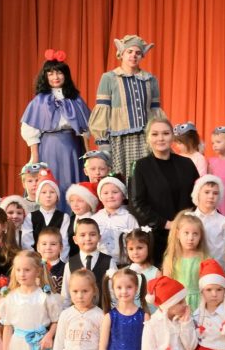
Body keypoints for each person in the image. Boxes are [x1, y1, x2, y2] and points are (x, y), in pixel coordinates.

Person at [88, 35, 161, 185]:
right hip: (119, 139)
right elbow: (103, 110)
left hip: (145, 139)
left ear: (142, 56)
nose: (133, 55)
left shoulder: (150, 79)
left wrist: (158, 135)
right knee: (121, 182)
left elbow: (155, 112)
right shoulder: (109, 78)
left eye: (138, 53)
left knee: (146, 179)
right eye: (129, 51)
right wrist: (103, 141)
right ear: (121, 53)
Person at [20, 49, 91, 197]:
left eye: (59, 73)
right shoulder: (39, 101)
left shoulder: (75, 99)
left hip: (73, 147)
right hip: (48, 147)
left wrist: (88, 154)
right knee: (50, 183)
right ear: (45, 76)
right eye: (50, 74)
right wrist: (35, 156)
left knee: (72, 183)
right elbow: (31, 129)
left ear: (66, 75)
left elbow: (85, 128)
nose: (55, 77)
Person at [131, 116, 200, 262]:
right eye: (155, 134)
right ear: (148, 138)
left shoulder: (187, 164)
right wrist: (167, 224)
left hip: (188, 236)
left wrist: (219, 218)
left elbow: (200, 195)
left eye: (166, 133)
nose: (160, 138)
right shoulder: (141, 166)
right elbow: (137, 204)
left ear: (173, 136)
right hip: (157, 237)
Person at [61, 218, 116, 309]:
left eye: (92, 234)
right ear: (75, 239)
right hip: (78, 314)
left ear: (99, 237)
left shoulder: (109, 262)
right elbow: (65, 297)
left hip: (103, 313)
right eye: (82, 235)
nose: (88, 238)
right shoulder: (70, 264)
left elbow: (114, 295)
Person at [163, 212, 209, 310]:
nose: (190, 238)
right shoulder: (171, 259)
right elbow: (166, 286)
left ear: (200, 236)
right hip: (178, 303)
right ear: (178, 234)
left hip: (200, 303)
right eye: (186, 233)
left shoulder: (205, 259)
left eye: (195, 234)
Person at [190, 175, 225, 266]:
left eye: (215, 193)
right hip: (193, 267)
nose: (211, 196)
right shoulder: (188, 218)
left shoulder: (224, 222)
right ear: (198, 193)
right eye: (207, 192)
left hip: (217, 268)